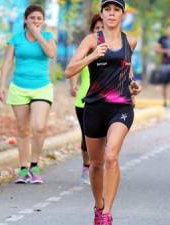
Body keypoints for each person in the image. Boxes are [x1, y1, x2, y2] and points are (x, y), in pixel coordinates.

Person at [64, 0, 141, 224]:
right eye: (107, 9)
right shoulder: (91, 40)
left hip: (122, 107)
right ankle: (98, 206)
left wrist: (134, 85)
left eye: (116, 10)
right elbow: (69, 70)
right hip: (95, 107)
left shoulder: (130, 41)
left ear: (123, 15)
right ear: (101, 13)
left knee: (111, 156)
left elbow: (128, 72)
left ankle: (107, 213)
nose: (111, 13)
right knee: (96, 163)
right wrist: (92, 55)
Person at [0, 5, 57, 184]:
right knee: (23, 129)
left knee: (39, 127)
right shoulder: (15, 39)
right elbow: (8, 63)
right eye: (32, 18)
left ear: (43, 21)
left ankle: (35, 165)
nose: (36, 21)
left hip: (42, 87)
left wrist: (37, 34)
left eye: (39, 18)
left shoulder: (47, 37)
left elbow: (51, 54)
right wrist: (2, 85)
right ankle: (23, 169)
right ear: (25, 20)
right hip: (19, 87)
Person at [69, 14, 104, 185]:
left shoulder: (117, 49)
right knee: (86, 137)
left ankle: (99, 167)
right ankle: (86, 165)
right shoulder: (87, 50)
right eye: (97, 28)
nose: (100, 31)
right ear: (92, 31)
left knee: (103, 138)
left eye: (102, 27)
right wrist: (73, 85)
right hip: (84, 100)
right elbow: (73, 68)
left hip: (105, 101)